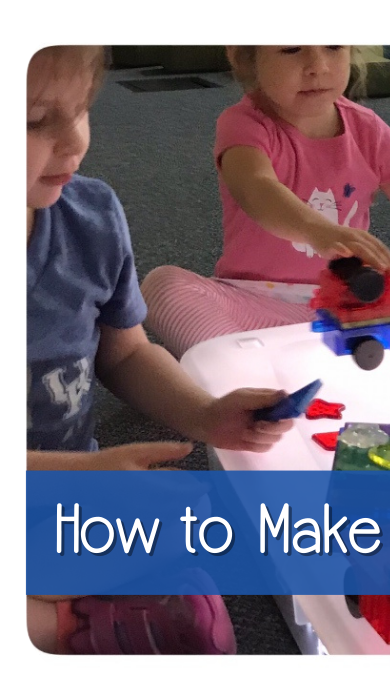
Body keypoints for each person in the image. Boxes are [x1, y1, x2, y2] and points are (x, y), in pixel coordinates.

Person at [27, 45, 291, 654]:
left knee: (199, 584)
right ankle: (58, 630)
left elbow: (122, 352)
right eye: (36, 120)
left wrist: (205, 413)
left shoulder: (88, 218)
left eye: (83, 108)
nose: (75, 142)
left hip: (66, 497)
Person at [142, 45, 390, 357]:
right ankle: (245, 371)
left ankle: (264, 368)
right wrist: (318, 230)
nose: (317, 66)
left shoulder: (369, 130)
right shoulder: (244, 125)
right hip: (255, 303)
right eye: (291, 48)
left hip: (350, 306)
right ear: (245, 56)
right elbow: (255, 188)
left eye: (333, 45)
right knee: (163, 286)